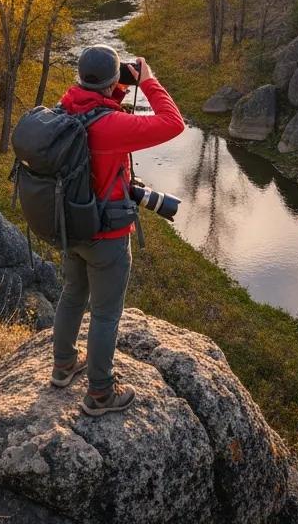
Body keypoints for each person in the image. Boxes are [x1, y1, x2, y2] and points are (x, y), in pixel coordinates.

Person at [51, 44, 185, 415]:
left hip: (70, 228)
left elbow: (96, 109)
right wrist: (149, 80)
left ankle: (63, 366)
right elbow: (174, 122)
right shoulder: (114, 128)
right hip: (106, 237)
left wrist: (117, 87)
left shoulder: (64, 109)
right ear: (110, 84)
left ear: (81, 78)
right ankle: (99, 394)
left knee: (72, 293)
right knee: (106, 314)